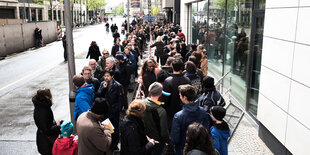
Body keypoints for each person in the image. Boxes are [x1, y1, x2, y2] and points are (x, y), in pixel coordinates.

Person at [170, 85, 211, 155]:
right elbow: (206, 130)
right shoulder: (203, 111)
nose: (179, 97)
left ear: (184, 97)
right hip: (200, 148)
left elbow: (175, 139)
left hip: (182, 149)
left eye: (180, 95)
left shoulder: (178, 116)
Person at [97, 69, 126, 151]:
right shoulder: (103, 83)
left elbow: (121, 100)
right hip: (105, 111)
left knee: (115, 129)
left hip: (114, 111)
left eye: (107, 76)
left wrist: (116, 110)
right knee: (106, 128)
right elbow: (98, 94)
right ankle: (107, 143)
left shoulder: (118, 86)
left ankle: (114, 144)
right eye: (105, 76)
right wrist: (103, 88)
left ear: (112, 76)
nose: (106, 78)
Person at [162, 58, 191, 129]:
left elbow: (165, 99)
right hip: (185, 110)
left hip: (171, 112)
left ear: (172, 66)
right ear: (181, 67)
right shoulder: (187, 80)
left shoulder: (168, 81)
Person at [142, 82, 170, 155]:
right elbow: (164, 131)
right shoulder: (161, 111)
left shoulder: (141, 104)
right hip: (157, 141)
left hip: (144, 138)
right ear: (160, 94)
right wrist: (167, 140)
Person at [33, 88, 61, 155]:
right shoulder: (43, 110)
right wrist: (58, 126)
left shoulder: (40, 106)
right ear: (47, 97)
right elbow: (47, 130)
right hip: (46, 142)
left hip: (43, 140)